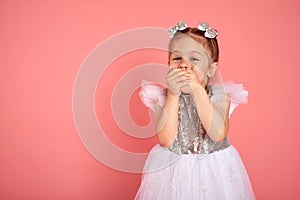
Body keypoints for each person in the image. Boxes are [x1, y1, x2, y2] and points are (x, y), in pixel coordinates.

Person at [135, 20, 256, 200]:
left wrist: (198, 90)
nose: (184, 65)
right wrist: (173, 96)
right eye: (177, 58)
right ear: (168, 64)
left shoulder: (220, 96)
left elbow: (217, 133)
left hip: (214, 172)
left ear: (210, 69)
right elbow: (166, 140)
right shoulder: (163, 97)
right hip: (173, 173)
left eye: (194, 59)